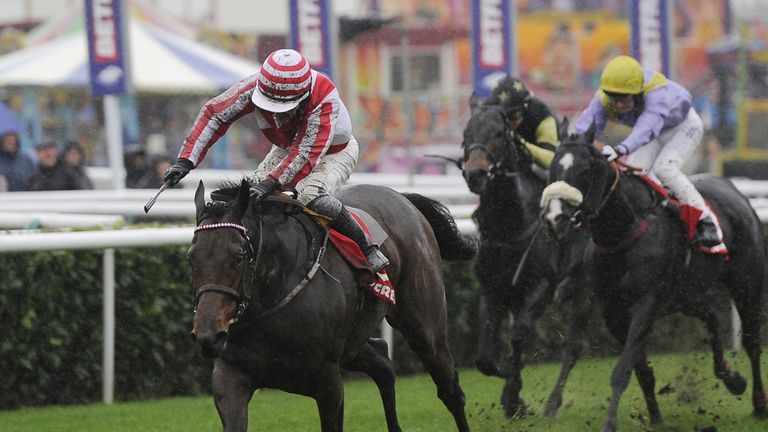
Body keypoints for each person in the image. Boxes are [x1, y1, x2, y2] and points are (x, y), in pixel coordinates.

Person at [164, 48, 388, 272]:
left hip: (334, 152)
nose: (277, 115)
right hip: (289, 147)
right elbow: (215, 114)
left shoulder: (323, 96)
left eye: (284, 110)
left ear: (302, 98)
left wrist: (271, 182)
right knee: (249, 197)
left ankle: (367, 246)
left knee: (310, 195)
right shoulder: (254, 86)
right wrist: (186, 160)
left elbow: (306, 154)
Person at [573, 55, 721, 248]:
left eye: (624, 98)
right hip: (654, 134)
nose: (618, 104)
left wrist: (621, 149)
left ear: (637, 92)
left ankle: (705, 221)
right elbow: (583, 131)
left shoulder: (656, 93)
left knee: (664, 169)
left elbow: (647, 127)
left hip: (684, 128)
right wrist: (572, 149)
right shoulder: (603, 98)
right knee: (636, 176)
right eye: (613, 97)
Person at [484, 75, 560, 173]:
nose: (509, 123)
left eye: (514, 115)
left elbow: (550, 160)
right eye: (503, 117)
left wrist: (522, 145)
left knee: (542, 172)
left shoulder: (542, 116)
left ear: (526, 107)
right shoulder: (487, 111)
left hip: (539, 166)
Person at [0, 104, 33, 192]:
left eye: (13, 138)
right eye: (7, 138)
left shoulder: (26, 160)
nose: (11, 141)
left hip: (23, 201)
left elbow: (33, 182)